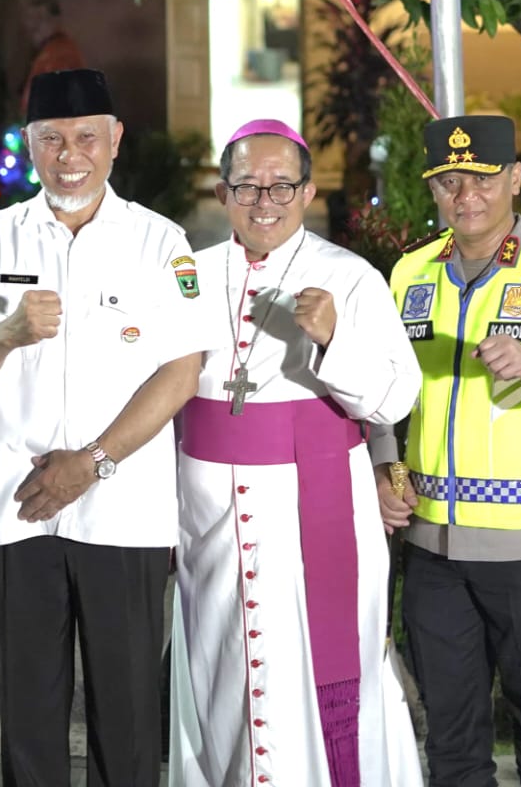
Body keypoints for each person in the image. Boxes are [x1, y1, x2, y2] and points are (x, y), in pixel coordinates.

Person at [0, 68, 207, 787]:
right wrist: (5, 333)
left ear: (115, 140)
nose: (69, 154)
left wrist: (90, 463)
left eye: (86, 136)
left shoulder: (160, 242)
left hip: (122, 509)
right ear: (29, 145)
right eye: (51, 139)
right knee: (28, 708)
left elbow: (180, 374)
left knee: (125, 712)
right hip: (18, 507)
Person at [169, 119, 422, 787]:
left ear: (308, 192)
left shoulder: (349, 276)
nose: (264, 201)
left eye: (281, 185)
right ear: (222, 193)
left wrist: (334, 337)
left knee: (312, 665)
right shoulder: (189, 275)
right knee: (221, 663)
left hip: (313, 504)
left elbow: (393, 397)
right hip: (210, 512)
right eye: (247, 185)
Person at [372, 114, 521, 787]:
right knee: (450, 730)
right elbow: (384, 399)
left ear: (514, 178)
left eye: (481, 180)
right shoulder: (409, 273)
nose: (466, 197)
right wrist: (389, 473)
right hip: (432, 550)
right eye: (450, 183)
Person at [16, 0, 85, 114]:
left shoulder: (61, 53)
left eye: (40, 19)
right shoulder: (47, 51)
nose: (33, 26)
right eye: (31, 19)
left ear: (56, 20)